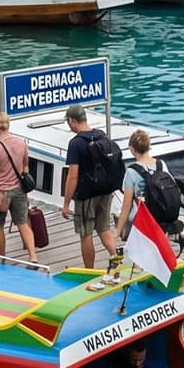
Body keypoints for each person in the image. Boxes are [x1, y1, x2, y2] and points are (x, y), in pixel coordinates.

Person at [59, 106, 119, 268]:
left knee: (86, 235)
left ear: (72, 121)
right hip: (106, 191)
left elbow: (73, 176)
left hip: (86, 195)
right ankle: (117, 260)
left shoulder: (76, 144)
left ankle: (89, 271)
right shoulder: (102, 136)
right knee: (104, 229)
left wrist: (66, 203)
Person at [0, 110, 36, 260]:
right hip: (19, 189)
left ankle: (2, 257)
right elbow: (26, 167)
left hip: (1, 192)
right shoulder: (22, 143)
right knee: (23, 224)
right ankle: (33, 256)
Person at [114, 128, 170, 249]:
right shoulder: (161, 165)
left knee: (141, 253)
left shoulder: (131, 172)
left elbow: (126, 206)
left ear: (132, 149)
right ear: (148, 147)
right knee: (157, 250)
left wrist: (118, 231)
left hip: (141, 220)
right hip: (160, 217)